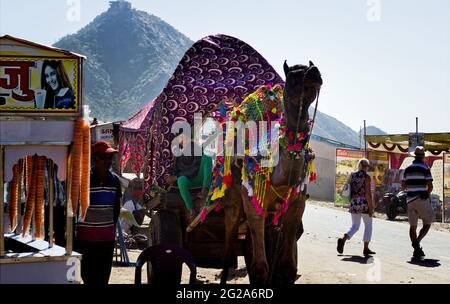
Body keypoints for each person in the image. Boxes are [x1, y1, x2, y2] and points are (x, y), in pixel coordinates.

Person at [75, 141, 122, 285]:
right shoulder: (83, 180)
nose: (108, 161)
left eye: (110, 158)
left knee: (102, 280)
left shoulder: (114, 181)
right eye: (104, 157)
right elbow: (75, 207)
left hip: (106, 240)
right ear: (94, 158)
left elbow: (116, 209)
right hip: (85, 240)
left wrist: (109, 228)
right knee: (88, 278)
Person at [164, 132, 212, 221]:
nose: (184, 139)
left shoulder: (196, 148)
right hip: (189, 181)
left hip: (199, 177)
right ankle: (191, 209)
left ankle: (205, 191)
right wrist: (171, 178)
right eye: (181, 138)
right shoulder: (177, 153)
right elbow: (177, 171)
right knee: (181, 180)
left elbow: (195, 168)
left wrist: (176, 176)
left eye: (186, 137)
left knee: (207, 158)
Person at [337, 158, 375, 256]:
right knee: (368, 225)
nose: (367, 168)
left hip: (354, 202)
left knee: (355, 226)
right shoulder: (366, 177)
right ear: (364, 167)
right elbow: (368, 194)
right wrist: (371, 207)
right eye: (367, 166)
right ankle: (366, 248)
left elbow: (347, 189)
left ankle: (343, 239)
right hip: (364, 203)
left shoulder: (352, 175)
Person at [402, 146, 434, 258]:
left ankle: (416, 248)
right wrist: (427, 193)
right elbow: (430, 185)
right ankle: (416, 243)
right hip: (421, 198)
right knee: (427, 222)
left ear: (414, 156)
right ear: (423, 157)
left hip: (410, 200)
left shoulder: (407, 169)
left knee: (412, 226)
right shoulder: (425, 168)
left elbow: (403, 185)